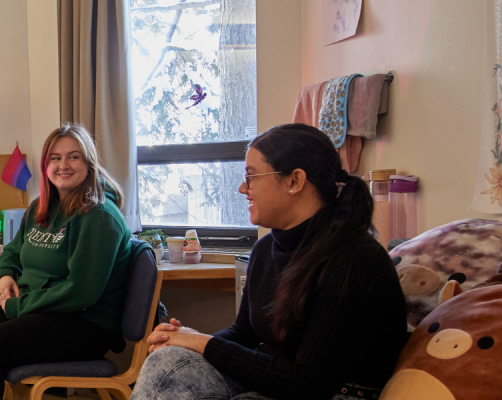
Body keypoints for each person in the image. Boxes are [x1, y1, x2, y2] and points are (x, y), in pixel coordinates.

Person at [132, 124, 407, 400]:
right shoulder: (266, 249)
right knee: (167, 360)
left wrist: (204, 343)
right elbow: (244, 332)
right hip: (279, 385)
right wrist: (182, 339)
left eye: (251, 177)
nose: (242, 188)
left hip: (339, 394)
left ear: (294, 181)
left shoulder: (355, 260)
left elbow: (310, 383)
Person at [0, 123, 143, 400]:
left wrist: (17, 306)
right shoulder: (41, 206)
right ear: (46, 165)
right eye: (55, 158)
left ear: (89, 163)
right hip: (41, 308)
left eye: (74, 156)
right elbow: (13, 250)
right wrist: (6, 275)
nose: (64, 165)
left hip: (85, 323)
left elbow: (81, 292)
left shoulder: (99, 217)